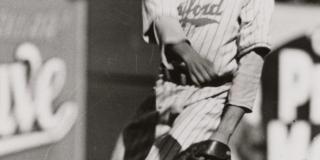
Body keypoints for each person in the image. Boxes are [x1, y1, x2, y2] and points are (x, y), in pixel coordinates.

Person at [111, 0, 274, 159]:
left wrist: (222, 136)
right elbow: (160, 11)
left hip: (209, 96)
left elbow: (251, 64)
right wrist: (184, 51)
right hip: (164, 88)